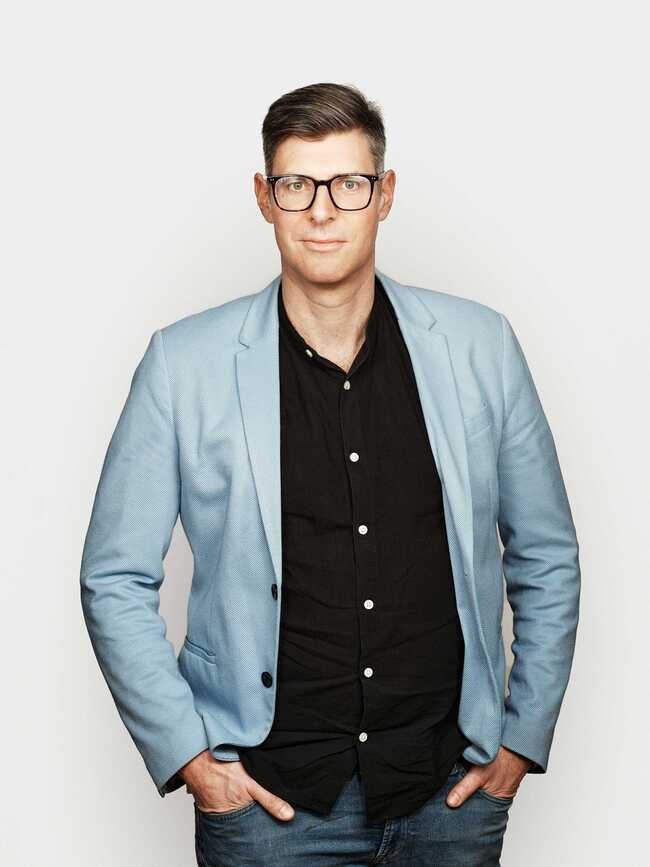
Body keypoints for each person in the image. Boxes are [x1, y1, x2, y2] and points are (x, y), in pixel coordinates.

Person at [80, 82, 581, 866]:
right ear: (264, 197)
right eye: (296, 185)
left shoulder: (482, 348)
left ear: (384, 195)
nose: (321, 211)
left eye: (348, 184)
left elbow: (546, 553)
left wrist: (521, 739)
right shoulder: (183, 365)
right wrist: (193, 760)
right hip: (267, 807)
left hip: (450, 796)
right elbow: (114, 576)